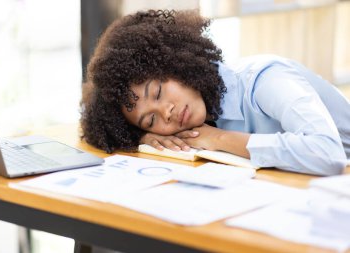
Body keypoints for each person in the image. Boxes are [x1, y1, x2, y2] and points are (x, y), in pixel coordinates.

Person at [81, 9, 350, 176]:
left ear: (176, 63)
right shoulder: (193, 123)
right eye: (151, 120)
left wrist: (220, 138)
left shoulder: (265, 80)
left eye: (159, 92)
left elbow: (328, 155)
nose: (166, 112)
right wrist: (143, 137)